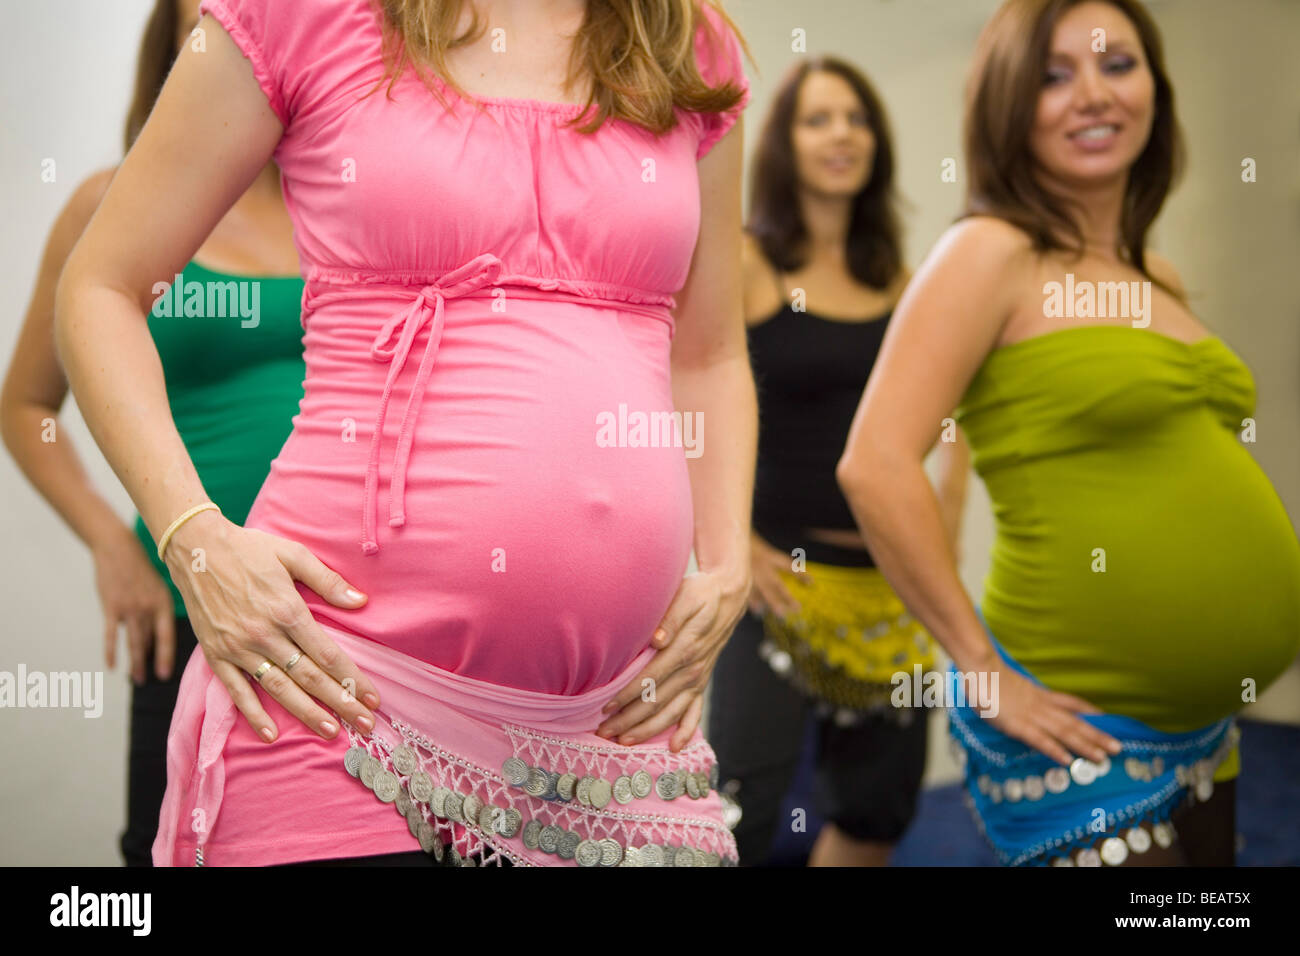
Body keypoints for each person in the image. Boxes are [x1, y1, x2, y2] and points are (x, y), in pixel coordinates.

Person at [54, 0, 756, 867]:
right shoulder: (303, 14)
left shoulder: (684, 38)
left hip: (615, 732)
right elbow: (100, 288)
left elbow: (713, 351)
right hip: (337, 697)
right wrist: (190, 535)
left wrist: (728, 567)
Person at [836, 0, 1300, 867]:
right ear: (1010, 104)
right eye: (1054, 76)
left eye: (1116, 65)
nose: (1092, 93)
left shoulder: (1149, 269)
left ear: (1154, 91)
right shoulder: (989, 252)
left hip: (1204, 726)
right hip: (1081, 734)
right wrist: (980, 667)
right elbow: (873, 463)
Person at [0, 0, 303, 866]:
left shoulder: (346, 201)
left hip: (353, 628)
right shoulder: (113, 209)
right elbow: (26, 408)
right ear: (173, 47)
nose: (246, 37)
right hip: (194, 622)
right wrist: (111, 541)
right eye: (213, 21)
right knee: (172, 851)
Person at [706, 57, 969, 866]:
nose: (842, 134)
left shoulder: (904, 280)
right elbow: (687, 400)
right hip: (778, 587)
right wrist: (735, 546)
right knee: (742, 807)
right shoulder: (749, 264)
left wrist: (941, 545)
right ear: (783, 142)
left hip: (889, 587)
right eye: (818, 118)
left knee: (878, 806)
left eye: (856, 117)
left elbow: (953, 429)